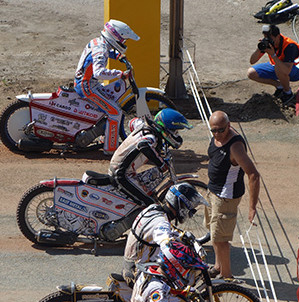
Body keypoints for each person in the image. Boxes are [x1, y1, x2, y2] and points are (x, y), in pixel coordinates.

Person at [204, 111, 261, 282]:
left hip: (225, 197)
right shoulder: (217, 135)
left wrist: (252, 208)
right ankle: (218, 266)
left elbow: (253, 175)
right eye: (213, 130)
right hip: (213, 191)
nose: (217, 134)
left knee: (221, 239)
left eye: (221, 130)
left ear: (228, 126)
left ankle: (227, 277)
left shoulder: (235, 147)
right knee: (214, 234)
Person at [122, 182, 208, 285]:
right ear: (180, 205)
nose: (189, 212)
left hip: (132, 263)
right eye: (188, 208)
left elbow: (165, 230)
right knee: (180, 289)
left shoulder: (154, 208)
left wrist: (181, 235)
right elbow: (167, 245)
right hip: (139, 273)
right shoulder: (161, 223)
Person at [74, 19, 139, 154]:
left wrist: (117, 56)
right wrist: (119, 74)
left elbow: (104, 54)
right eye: (123, 40)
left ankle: (106, 135)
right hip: (87, 87)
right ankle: (110, 149)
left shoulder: (99, 42)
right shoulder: (101, 49)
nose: (124, 43)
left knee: (112, 101)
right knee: (115, 112)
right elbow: (99, 72)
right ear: (116, 37)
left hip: (87, 83)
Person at [108, 108, 192, 207]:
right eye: (175, 131)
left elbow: (131, 122)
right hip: (121, 174)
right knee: (150, 204)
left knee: (151, 194)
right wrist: (160, 164)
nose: (176, 135)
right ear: (166, 129)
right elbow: (143, 145)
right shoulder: (151, 137)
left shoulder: (145, 126)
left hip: (127, 172)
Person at [247, 23, 299, 103]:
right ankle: (279, 86)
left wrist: (273, 55)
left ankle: (287, 92)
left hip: (297, 71)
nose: (269, 42)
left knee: (279, 69)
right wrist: (260, 48)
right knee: (251, 73)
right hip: (278, 67)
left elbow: (286, 71)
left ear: (278, 36)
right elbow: (252, 61)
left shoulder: (290, 46)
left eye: (270, 39)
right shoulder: (270, 44)